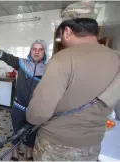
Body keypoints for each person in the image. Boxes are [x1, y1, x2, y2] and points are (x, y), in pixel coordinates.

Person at [25, 4, 120, 161]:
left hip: (56, 144)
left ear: (67, 31)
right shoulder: (116, 58)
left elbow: (38, 114)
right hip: (92, 145)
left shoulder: (62, 58)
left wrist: (30, 117)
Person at [0, 39, 48, 160]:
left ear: (44, 52)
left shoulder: (48, 69)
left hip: (35, 109)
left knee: (32, 132)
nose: (37, 52)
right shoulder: (22, 63)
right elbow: (5, 56)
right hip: (18, 107)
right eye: (34, 49)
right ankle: (15, 153)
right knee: (16, 131)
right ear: (30, 51)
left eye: (40, 49)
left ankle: (29, 153)